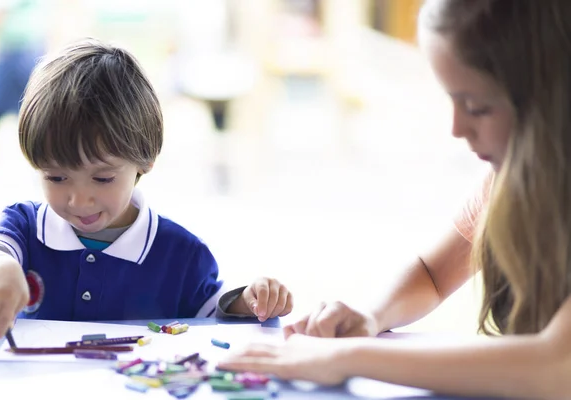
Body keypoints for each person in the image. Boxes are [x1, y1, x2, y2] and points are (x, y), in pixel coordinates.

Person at [218, 1, 571, 398]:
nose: (456, 127)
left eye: (477, 106)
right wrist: (370, 316)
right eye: (451, 100)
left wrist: (351, 358)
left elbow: (556, 368)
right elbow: (432, 275)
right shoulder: (505, 183)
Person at [0, 38, 293, 339]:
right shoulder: (24, 228)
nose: (79, 199)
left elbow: (213, 317)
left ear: (144, 159)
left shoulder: (180, 255)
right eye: (56, 177)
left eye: (102, 178)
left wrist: (250, 300)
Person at [0, 0, 48, 194]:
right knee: (38, 126)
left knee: (36, 125)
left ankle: (52, 180)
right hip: (25, 54)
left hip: (16, 59)